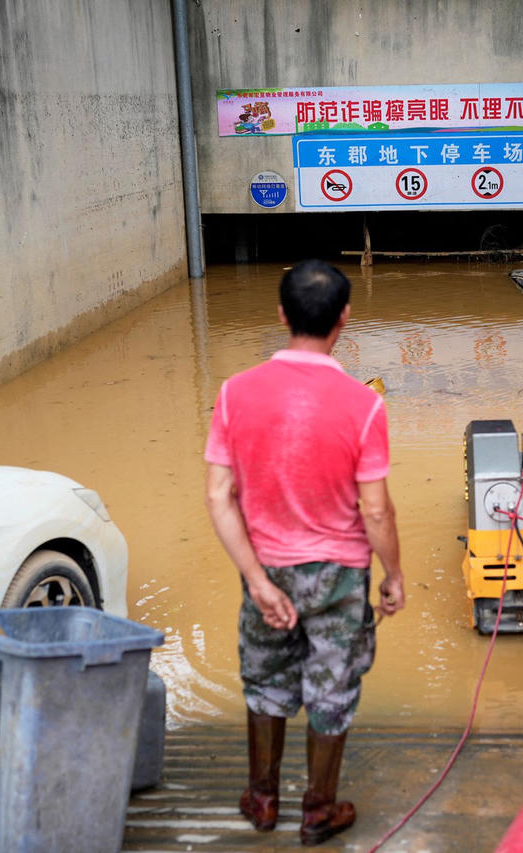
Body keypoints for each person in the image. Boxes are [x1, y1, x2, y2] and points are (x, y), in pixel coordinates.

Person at [204, 259, 406, 846]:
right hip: (340, 579)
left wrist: (258, 581)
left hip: (264, 570)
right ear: (344, 317)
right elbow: (375, 510)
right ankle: (317, 810)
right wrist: (394, 574)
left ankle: (262, 801)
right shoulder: (363, 404)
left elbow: (220, 496)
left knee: (264, 683)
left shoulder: (234, 392)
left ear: (281, 314)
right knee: (332, 689)